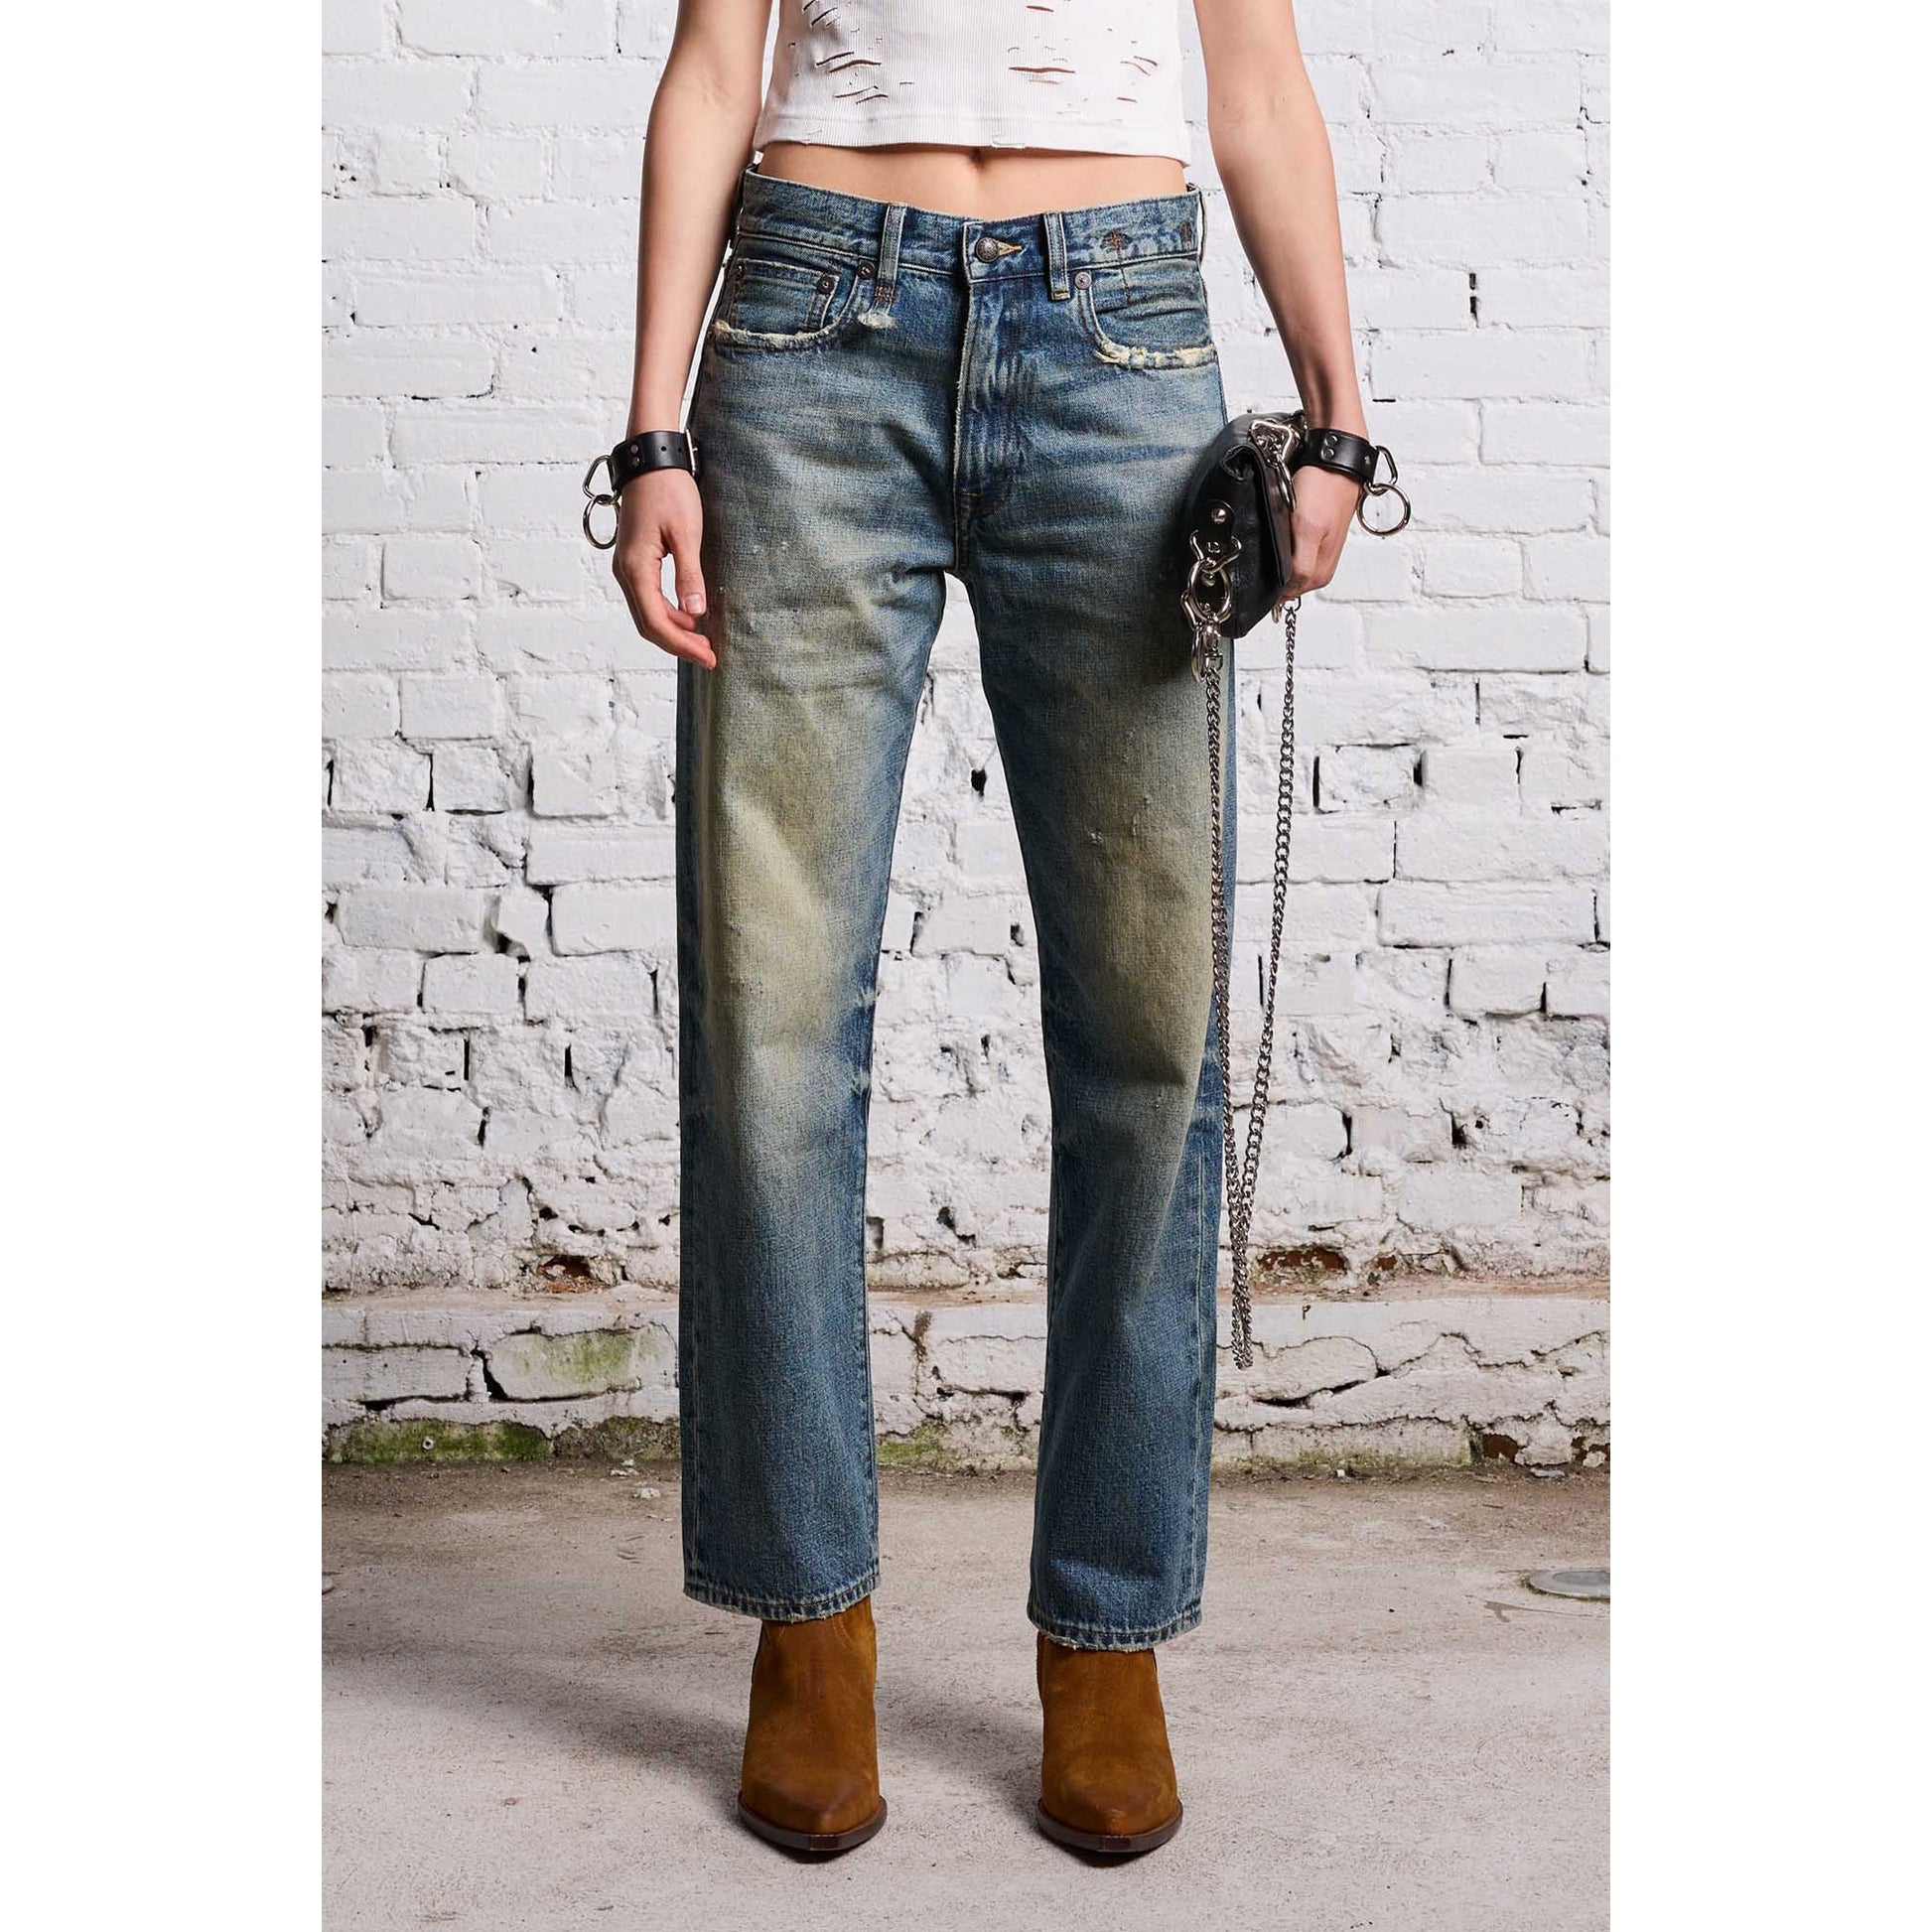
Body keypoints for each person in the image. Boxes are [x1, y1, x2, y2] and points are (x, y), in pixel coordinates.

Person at [608, 0, 1370, 1857]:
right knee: (772, 1025)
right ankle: (807, 1619)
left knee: (1148, 1038)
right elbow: (713, 64)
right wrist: (651, 432)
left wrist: (1338, 412)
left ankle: (1106, 1630)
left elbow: (1258, 81)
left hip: (1120, 334)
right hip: (806, 332)